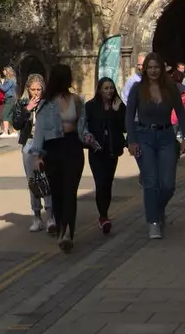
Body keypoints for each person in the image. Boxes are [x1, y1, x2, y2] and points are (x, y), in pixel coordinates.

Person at [125, 52, 185, 241]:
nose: (153, 70)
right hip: (144, 136)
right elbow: (129, 116)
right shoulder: (137, 89)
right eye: (150, 67)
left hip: (166, 137)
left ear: (162, 70)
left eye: (156, 67)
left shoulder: (170, 89)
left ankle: (157, 208)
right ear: (145, 69)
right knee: (151, 182)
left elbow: (180, 112)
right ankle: (153, 222)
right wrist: (132, 141)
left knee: (168, 184)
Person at [31, 63, 94, 252]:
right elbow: (40, 130)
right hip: (53, 149)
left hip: (73, 147)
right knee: (57, 192)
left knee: (70, 192)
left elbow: (83, 125)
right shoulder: (46, 103)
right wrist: (37, 155)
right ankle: (60, 228)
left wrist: (90, 139)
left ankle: (68, 233)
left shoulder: (76, 100)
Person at [85, 76, 126, 235]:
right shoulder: (91, 106)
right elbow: (86, 125)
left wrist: (115, 112)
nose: (109, 91)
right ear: (99, 90)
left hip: (112, 150)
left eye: (111, 88)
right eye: (106, 88)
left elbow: (124, 126)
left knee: (108, 183)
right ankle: (103, 216)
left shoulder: (119, 106)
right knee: (100, 182)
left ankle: (104, 213)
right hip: (97, 150)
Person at [11, 73, 51, 230]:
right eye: (33, 89)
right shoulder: (22, 104)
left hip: (45, 144)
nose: (36, 92)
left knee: (47, 180)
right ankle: (36, 217)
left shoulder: (48, 104)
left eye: (39, 89)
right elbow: (16, 124)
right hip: (29, 142)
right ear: (28, 89)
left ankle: (50, 218)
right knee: (33, 181)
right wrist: (27, 110)